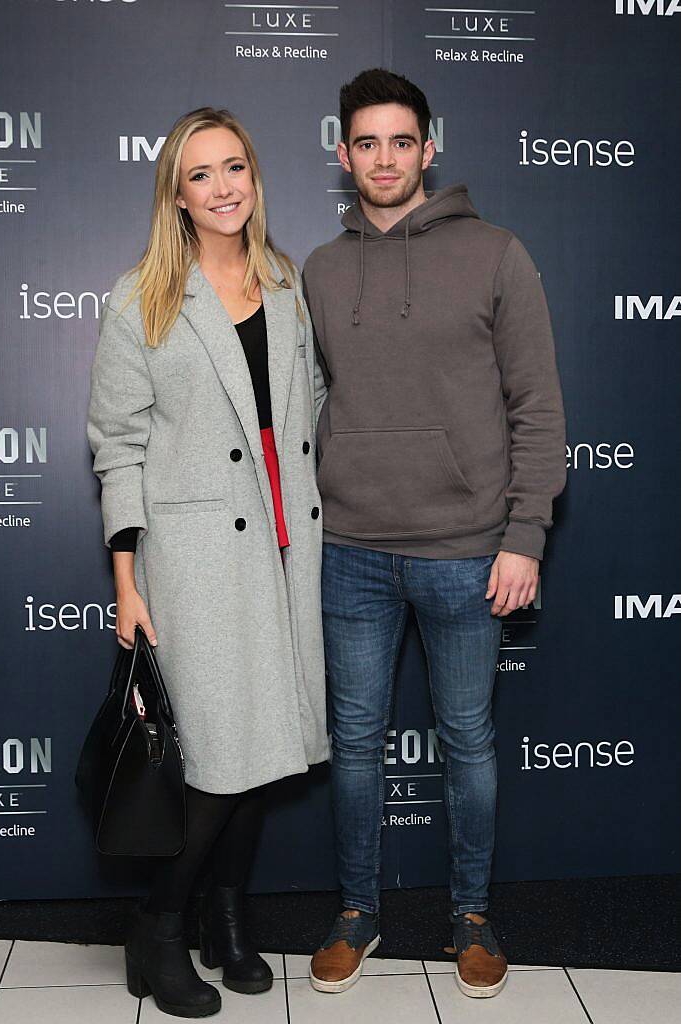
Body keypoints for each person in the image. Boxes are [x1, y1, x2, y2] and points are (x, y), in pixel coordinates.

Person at [303, 69, 566, 999]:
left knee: (467, 741)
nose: (383, 158)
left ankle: (470, 916)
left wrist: (524, 533)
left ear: (429, 147)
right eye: (365, 143)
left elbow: (536, 406)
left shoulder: (497, 253)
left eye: (400, 141)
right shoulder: (321, 269)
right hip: (351, 553)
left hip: (466, 552)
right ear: (342, 154)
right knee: (355, 738)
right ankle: (355, 912)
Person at [87, 106, 328, 1018]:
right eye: (201, 174)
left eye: (236, 167)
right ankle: (157, 927)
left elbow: (307, 410)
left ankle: (228, 918)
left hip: (287, 539)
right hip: (192, 554)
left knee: (268, 744)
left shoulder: (286, 282)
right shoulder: (142, 296)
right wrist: (125, 582)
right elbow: (117, 445)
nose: (223, 187)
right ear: (175, 194)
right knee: (220, 752)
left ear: (256, 178)